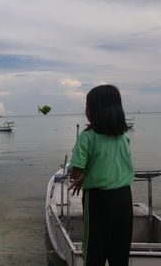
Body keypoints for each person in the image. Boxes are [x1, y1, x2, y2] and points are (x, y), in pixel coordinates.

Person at [69, 84, 134, 266]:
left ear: (94, 111)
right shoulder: (123, 136)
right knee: (120, 250)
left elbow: (75, 172)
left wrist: (81, 177)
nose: (85, 109)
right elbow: (116, 167)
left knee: (94, 249)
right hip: (124, 198)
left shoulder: (87, 136)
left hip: (98, 200)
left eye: (87, 105)